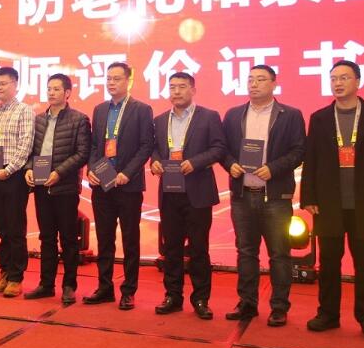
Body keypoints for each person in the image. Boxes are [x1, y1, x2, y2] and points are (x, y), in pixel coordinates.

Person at [301, 60, 364, 342]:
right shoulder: (320, 118)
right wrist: (308, 197)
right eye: (333, 78)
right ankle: (328, 314)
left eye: (344, 77)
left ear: (358, 81)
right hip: (329, 203)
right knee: (328, 263)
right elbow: (311, 160)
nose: (338, 83)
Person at [221, 65, 306, 326]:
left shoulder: (290, 115)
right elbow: (222, 149)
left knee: (279, 254)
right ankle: (247, 303)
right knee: (246, 252)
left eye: (260, 79)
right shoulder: (234, 115)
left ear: (273, 84)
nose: (254, 84)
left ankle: (279, 307)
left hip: (275, 196)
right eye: (250, 79)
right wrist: (230, 164)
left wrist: (273, 168)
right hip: (242, 194)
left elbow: (299, 151)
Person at [151, 72, 225, 319]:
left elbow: (219, 148)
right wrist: (154, 162)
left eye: (182, 87)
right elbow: (154, 149)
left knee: (198, 248)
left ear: (193, 90)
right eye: (172, 87)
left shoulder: (209, 116)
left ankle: (201, 299)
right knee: (171, 248)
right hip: (170, 192)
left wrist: (195, 162)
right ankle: (173, 296)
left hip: (197, 192)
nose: (176, 91)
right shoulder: (160, 120)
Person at [84, 62, 154, 311]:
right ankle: (104, 288)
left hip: (128, 185)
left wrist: (127, 173)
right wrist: (92, 169)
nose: (111, 83)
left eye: (117, 79)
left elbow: (146, 146)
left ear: (129, 81)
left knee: (130, 239)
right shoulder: (100, 109)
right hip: (103, 184)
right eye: (108, 78)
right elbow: (95, 145)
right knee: (104, 239)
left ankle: (129, 291)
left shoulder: (141, 109)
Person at [23, 73, 91, 305]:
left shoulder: (79, 119)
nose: (51, 93)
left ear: (67, 93)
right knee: (46, 237)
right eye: (49, 89)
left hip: (65, 188)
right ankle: (46, 284)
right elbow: (32, 151)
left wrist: (59, 173)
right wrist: (29, 169)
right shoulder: (39, 120)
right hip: (42, 187)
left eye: (56, 89)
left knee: (69, 239)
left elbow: (82, 153)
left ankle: (69, 286)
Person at [0, 66, 35, 298]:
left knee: (15, 228)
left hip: (13, 176)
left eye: (3, 83)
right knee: (2, 228)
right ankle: (4, 273)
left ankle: (16, 278)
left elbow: (26, 146)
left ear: (15, 85)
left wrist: (9, 170)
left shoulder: (24, 111)